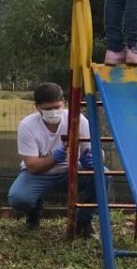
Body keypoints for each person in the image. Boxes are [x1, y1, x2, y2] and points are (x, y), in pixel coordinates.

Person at [7, 82, 98, 237]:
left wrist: (91, 159)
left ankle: (83, 222)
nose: (54, 112)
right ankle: (34, 210)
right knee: (18, 198)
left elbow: (94, 152)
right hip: (39, 175)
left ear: (64, 102)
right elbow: (32, 167)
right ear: (37, 107)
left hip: (71, 171)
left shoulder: (78, 120)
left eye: (57, 107)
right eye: (48, 109)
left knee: (103, 176)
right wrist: (56, 157)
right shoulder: (27, 126)